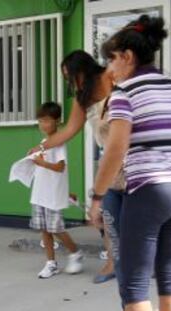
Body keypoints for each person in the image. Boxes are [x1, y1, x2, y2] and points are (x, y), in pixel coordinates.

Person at [88, 15, 171, 311]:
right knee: (170, 278)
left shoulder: (125, 93)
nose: (111, 69)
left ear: (128, 57)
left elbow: (115, 150)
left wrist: (97, 197)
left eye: (112, 60)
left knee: (135, 284)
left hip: (150, 190)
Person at [29, 51, 123, 284]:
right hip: (110, 164)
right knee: (109, 215)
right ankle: (112, 262)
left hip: (136, 159)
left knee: (138, 216)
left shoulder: (114, 79)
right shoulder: (83, 97)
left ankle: (145, 262)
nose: (71, 83)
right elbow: (69, 131)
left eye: (70, 76)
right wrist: (40, 147)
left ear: (82, 70)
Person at [30, 102, 84, 279]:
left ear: (57, 121)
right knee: (44, 230)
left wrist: (41, 162)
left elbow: (60, 168)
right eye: (40, 121)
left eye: (47, 120)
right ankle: (51, 263)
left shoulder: (58, 143)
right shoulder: (43, 143)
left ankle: (75, 252)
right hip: (40, 194)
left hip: (52, 196)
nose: (43, 124)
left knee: (57, 229)